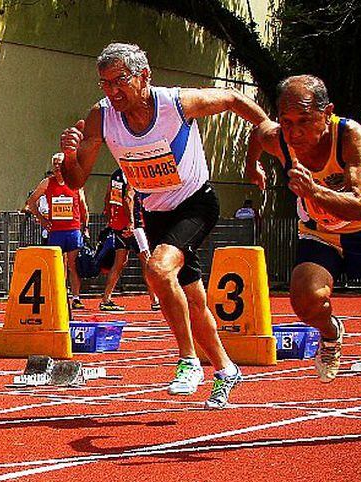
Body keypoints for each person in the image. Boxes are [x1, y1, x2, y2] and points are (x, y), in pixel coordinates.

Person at [59, 42, 270, 409]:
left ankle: (188, 360)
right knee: (195, 301)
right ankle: (225, 369)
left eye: (120, 81)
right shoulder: (101, 116)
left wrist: (265, 128)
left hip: (196, 204)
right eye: (105, 83)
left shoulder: (176, 104)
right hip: (156, 212)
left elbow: (232, 99)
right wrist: (68, 154)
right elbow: (76, 179)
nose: (112, 91)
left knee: (157, 270)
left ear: (144, 76)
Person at [246, 75, 361, 436]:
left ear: (327, 113)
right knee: (305, 298)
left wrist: (312, 190)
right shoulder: (279, 137)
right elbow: (258, 133)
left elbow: (359, 204)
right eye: (286, 121)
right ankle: (331, 333)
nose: (294, 132)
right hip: (321, 232)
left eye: (305, 120)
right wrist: (253, 167)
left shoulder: (350, 135)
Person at [25, 154, 88, 310]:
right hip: (56, 231)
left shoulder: (75, 183)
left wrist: (85, 227)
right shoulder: (47, 182)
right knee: (57, 265)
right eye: (55, 164)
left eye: (60, 163)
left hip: (73, 230)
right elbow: (31, 201)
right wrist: (41, 219)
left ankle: (76, 297)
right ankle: (58, 295)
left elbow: (83, 207)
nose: (57, 166)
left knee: (73, 265)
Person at [99, 168, 137, 312]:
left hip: (118, 223)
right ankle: (156, 300)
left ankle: (106, 298)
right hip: (131, 224)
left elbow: (108, 197)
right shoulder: (130, 173)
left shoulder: (115, 174)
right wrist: (131, 222)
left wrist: (110, 218)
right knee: (146, 260)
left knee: (121, 261)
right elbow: (128, 198)